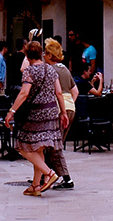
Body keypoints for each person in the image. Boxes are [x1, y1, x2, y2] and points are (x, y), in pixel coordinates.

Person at [5, 40, 68, 197]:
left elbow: (24, 93)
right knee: (38, 148)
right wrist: (64, 112)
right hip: (51, 111)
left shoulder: (29, 71)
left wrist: (12, 110)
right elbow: (59, 93)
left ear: (27, 54)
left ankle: (48, 173)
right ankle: (35, 186)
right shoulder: (51, 70)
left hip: (35, 113)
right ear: (41, 53)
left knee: (23, 146)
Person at [44, 38, 78, 190]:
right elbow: (75, 91)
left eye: (45, 52)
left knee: (55, 145)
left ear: (50, 54)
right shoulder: (64, 69)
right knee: (54, 144)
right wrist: (69, 104)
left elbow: (54, 91)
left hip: (58, 109)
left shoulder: (50, 70)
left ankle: (66, 178)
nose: (43, 55)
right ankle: (46, 175)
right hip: (69, 107)